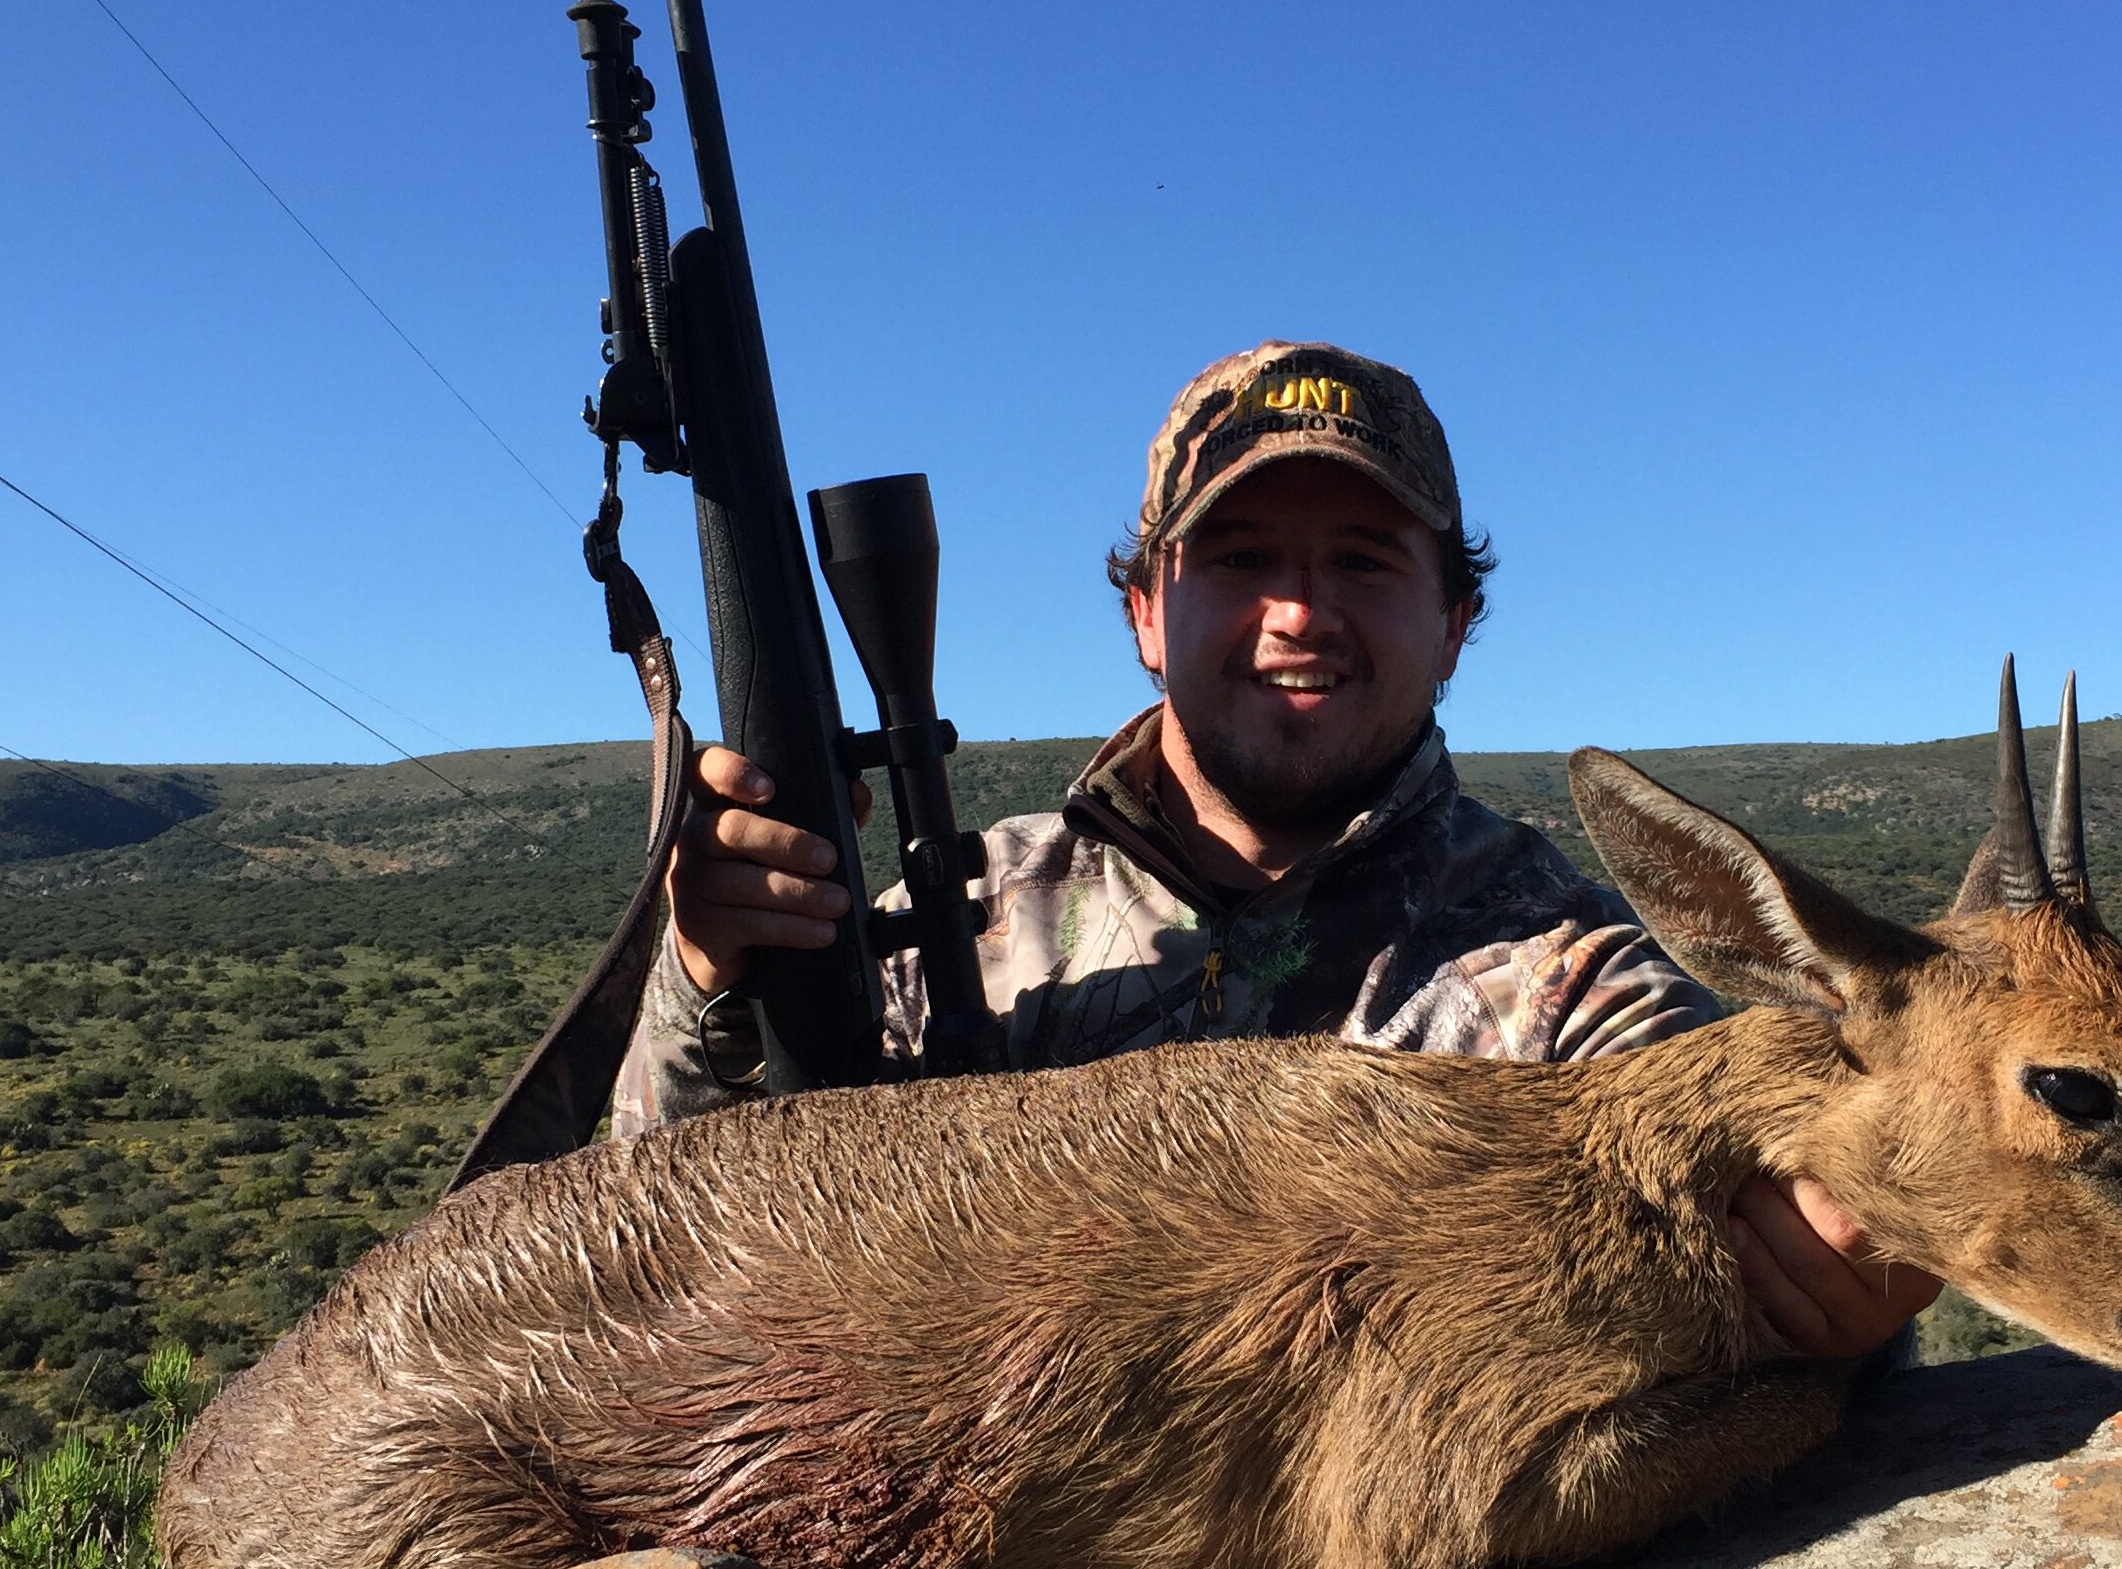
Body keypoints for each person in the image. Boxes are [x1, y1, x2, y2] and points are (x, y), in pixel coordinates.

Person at [616, 339, 1940, 1363]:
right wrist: (709, 977)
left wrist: (1840, 1301)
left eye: (1364, 563)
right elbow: (649, 1252)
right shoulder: (959, 915)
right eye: (1242, 558)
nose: (1300, 614)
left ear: (1456, 621)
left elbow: (1780, 1251)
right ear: (1146, 609)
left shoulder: (1575, 982)